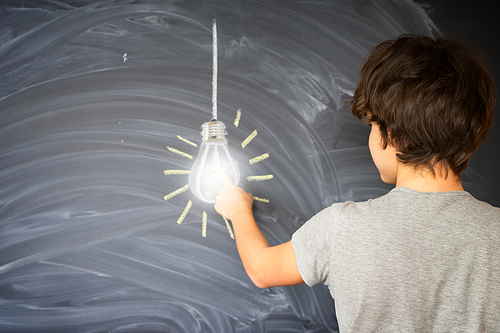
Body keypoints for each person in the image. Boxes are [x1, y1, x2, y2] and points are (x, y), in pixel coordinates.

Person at [214, 35, 499, 332]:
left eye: (373, 124)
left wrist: (238, 209)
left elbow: (261, 270)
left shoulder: (342, 228)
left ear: (393, 135)